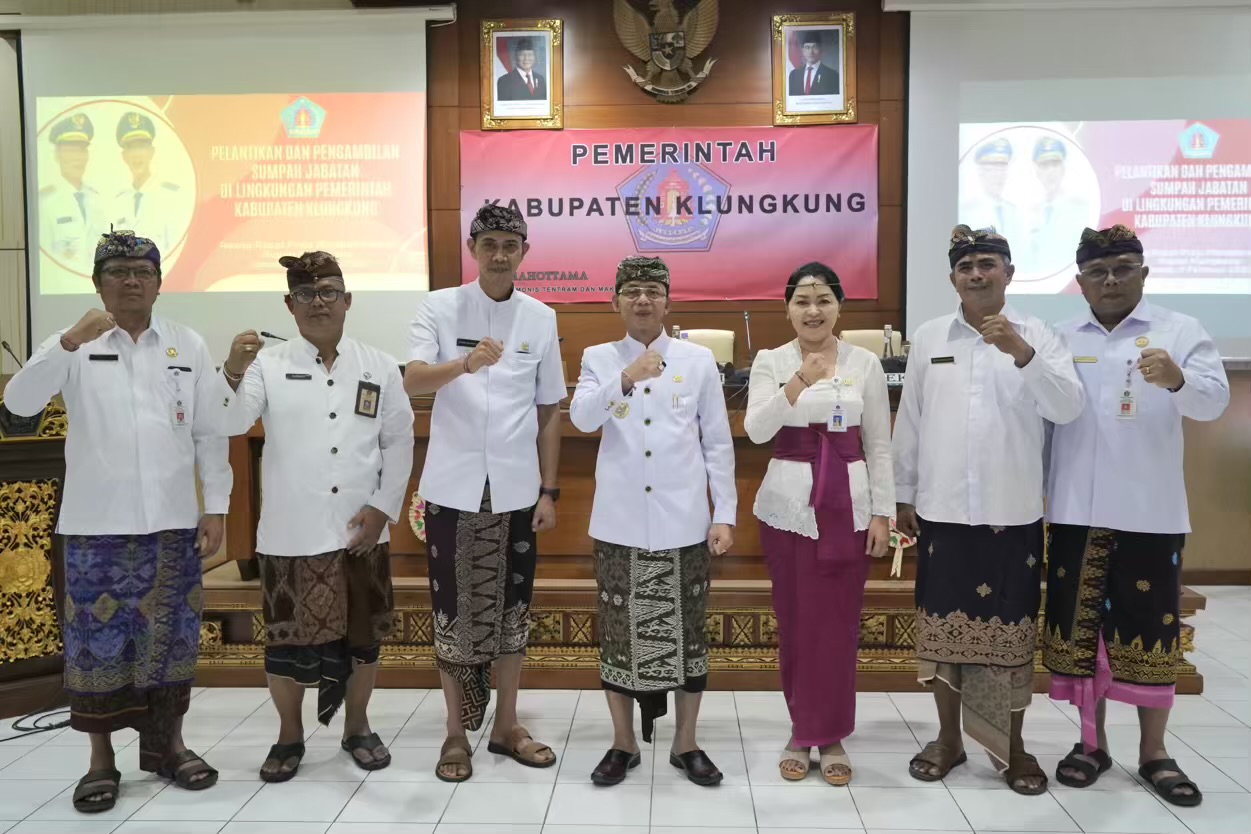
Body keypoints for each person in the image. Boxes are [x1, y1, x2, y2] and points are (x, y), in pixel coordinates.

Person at [3, 230, 231, 812]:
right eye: (119, 271)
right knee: (95, 648)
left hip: (173, 523)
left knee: (172, 642)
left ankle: (170, 748)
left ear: (159, 282)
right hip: (95, 526)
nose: (132, 281)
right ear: (98, 283)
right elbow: (20, 404)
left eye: (143, 271)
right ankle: (100, 762)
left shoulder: (185, 343)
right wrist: (69, 341)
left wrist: (217, 506)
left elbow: (210, 432)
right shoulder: (74, 344)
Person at [893, 226, 1084, 795]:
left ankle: (1011, 747)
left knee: (1010, 639)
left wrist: (1022, 354)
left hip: (1011, 512)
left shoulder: (1040, 335)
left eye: (987, 263)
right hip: (943, 512)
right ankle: (948, 740)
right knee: (942, 637)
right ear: (952, 277)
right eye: (966, 266)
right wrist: (902, 494)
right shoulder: (930, 336)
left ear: (1009, 272)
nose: (976, 274)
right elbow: (912, 421)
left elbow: (1068, 408)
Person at [1042, 225, 1229, 806]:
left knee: (1152, 631)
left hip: (1149, 511)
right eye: (1097, 272)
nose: (1111, 280)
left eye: (1123, 268)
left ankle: (1154, 753)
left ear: (1143, 273)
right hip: (1074, 510)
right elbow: (1042, 420)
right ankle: (1090, 744)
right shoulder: (1060, 337)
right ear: (1080, 283)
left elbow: (1213, 403)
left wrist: (1176, 380)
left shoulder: (1180, 331)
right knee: (1081, 635)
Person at [215, 251, 414, 783]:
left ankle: (358, 726)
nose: (318, 302)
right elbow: (231, 421)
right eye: (305, 294)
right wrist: (232, 369)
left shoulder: (378, 365)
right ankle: (289, 734)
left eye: (328, 292)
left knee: (364, 639)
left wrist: (382, 509)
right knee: (284, 644)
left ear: (347, 300)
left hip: (360, 529)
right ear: (290, 305)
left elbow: (398, 442)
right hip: (291, 532)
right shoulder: (267, 366)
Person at [404, 204, 565, 781]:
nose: (500, 254)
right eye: (490, 243)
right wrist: (466, 363)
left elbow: (549, 409)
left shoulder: (540, 317)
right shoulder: (439, 306)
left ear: (524, 252)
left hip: (517, 491)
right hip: (453, 488)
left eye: (510, 245)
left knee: (513, 613)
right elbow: (412, 380)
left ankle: (506, 725)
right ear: (473, 248)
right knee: (452, 612)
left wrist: (549, 490)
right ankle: (455, 731)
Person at [569, 256, 736, 788]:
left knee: (689, 636)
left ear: (668, 301)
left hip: (683, 523)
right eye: (632, 291)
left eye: (653, 291)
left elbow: (717, 442)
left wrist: (724, 514)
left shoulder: (698, 360)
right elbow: (582, 418)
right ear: (615, 300)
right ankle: (623, 743)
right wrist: (626, 377)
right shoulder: (599, 358)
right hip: (619, 524)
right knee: (617, 635)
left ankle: (686, 743)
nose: (643, 299)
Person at [744, 262, 893, 786]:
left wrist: (883, 513)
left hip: (849, 509)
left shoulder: (865, 363)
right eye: (802, 301)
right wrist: (800, 379)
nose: (813, 310)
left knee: (836, 625)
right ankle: (801, 730)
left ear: (839, 307)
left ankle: (830, 736)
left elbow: (878, 443)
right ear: (787, 309)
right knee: (797, 622)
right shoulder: (771, 360)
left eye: (823, 300)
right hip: (789, 511)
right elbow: (757, 430)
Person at [108, 112, 192, 256]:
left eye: (141, 147)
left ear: (151, 152)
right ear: (124, 156)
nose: (136, 155)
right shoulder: (117, 202)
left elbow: (178, 251)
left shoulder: (172, 198)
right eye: (131, 148)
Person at [38, 113, 105, 273]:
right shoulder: (44, 203)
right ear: (57, 155)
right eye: (70, 151)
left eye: (81, 150)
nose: (77, 158)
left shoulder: (98, 199)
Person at [1023, 137, 1092, 276]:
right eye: (1044, 166)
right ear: (1037, 170)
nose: (1050, 172)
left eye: (1055, 165)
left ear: (1063, 168)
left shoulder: (1080, 210)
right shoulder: (1030, 213)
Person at [960, 138, 1021, 243]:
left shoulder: (1013, 211)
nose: (999, 175)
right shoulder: (968, 212)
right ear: (981, 172)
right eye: (993, 169)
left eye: (1002, 169)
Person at [787, 31, 840, 96]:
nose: (811, 52)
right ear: (803, 51)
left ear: (821, 50)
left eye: (815, 47)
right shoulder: (794, 75)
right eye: (807, 47)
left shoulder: (832, 75)